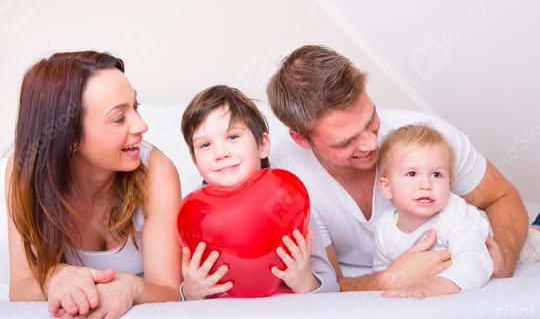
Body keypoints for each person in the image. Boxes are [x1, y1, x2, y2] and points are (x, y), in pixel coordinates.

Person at [266, 45, 529, 291]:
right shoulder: (287, 178)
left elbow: (502, 195)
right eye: (346, 142)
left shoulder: (426, 136)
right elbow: (328, 282)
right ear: (301, 139)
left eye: (371, 120)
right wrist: (390, 278)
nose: (370, 144)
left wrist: (505, 256)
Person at [6, 51, 182, 318]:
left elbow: (170, 290)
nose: (141, 125)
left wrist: (132, 286)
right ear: (70, 137)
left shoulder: (157, 172)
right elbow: (19, 286)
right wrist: (52, 278)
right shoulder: (22, 171)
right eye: (119, 117)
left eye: (136, 107)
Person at [179, 85, 339, 300]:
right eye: (205, 145)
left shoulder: (288, 198)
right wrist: (190, 292)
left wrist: (304, 280)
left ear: (262, 145)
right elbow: (177, 290)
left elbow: (332, 286)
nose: (220, 153)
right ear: (195, 162)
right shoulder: (192, 214)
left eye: (233, 137)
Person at [373, 124, 493, 298]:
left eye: (436, 174)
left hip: (489, 232)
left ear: (449, 183)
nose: (426, 185)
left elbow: (475, 261)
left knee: (530, 247)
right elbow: (384, 274)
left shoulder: (454, 215)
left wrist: (432, 288)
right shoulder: (384, 229)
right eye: (412, 173)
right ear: (387, 187)